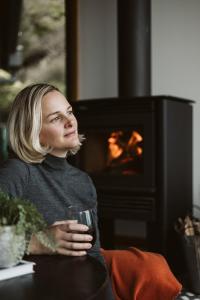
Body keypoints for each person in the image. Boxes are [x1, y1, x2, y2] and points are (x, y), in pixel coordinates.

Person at [0, 83, 182, 300]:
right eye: (56, 118)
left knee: (152, 267)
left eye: (69, 112)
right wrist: (37, 242)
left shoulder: (83, 181)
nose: (71, 122)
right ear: (34, 132)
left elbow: (93, 254)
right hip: (38, 288)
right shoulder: (18, 172)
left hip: (83, 283)